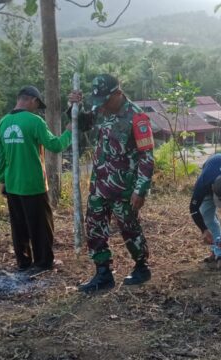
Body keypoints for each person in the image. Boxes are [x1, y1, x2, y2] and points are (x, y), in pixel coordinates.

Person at [69, 74, 155, 293]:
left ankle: (141, 266)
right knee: (95, 227)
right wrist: (73, 106)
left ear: (118, 93)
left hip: (124, 189)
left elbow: (147, 156)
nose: (103, 105)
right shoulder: (101, 110)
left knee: (129, 228)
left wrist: (140, 189)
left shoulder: (137, 117)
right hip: (99, 184)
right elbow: (81, 125)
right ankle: (103, 273)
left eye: (106, 100)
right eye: (100, 101)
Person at [0, 85, 72, 276]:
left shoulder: (3, 122)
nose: (37, 109)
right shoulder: (34, 121)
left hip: (12, 184)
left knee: (19, 226)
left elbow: (1, 155)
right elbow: (54, 145)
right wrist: (70, 132)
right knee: (40, 226)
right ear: (32, 100)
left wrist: (2, 180)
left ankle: (23, 262)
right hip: (33, 184)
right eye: (38, 105)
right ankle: (43, 262)